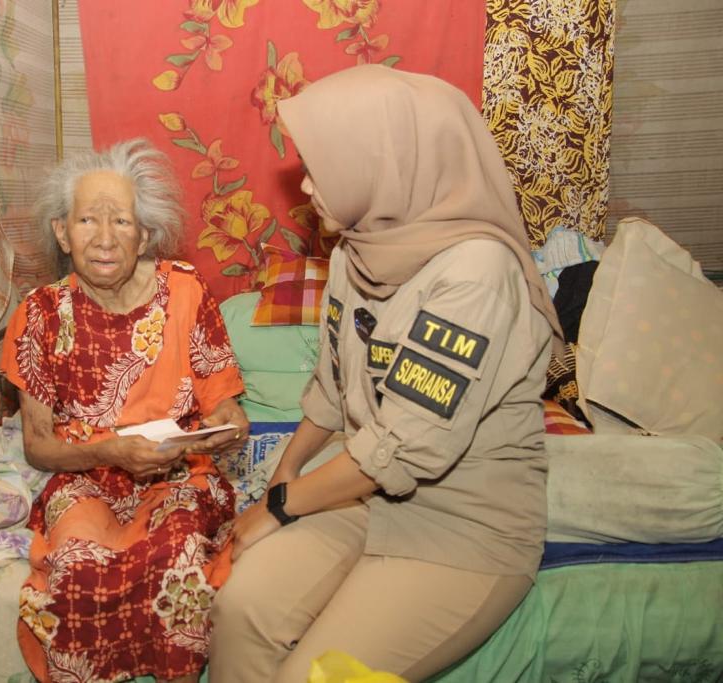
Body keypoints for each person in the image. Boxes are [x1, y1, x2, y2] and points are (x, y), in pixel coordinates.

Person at [209, 65, 564, 682]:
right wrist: (285, 473)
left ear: (386, 164)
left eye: (322, 167)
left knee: (315, 676)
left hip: (464, 528)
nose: (307, 186)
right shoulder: (355, 250)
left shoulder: (476, 271)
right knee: (238, 609)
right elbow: (332, 385)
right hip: (366, 496)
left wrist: (282, 506)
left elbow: (402, 448)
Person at [0, 138, 249, 683]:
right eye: (88, 220)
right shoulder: (40, 315)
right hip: (85, 476)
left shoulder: (184, 291)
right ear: (62, 233)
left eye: (121, 222)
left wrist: (226, 427)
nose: (105, 239)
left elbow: (225, 407)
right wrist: (110, 451)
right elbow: (38, 446)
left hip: (178, 473)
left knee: (178, 559)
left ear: (145, 235)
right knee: (77, 571)